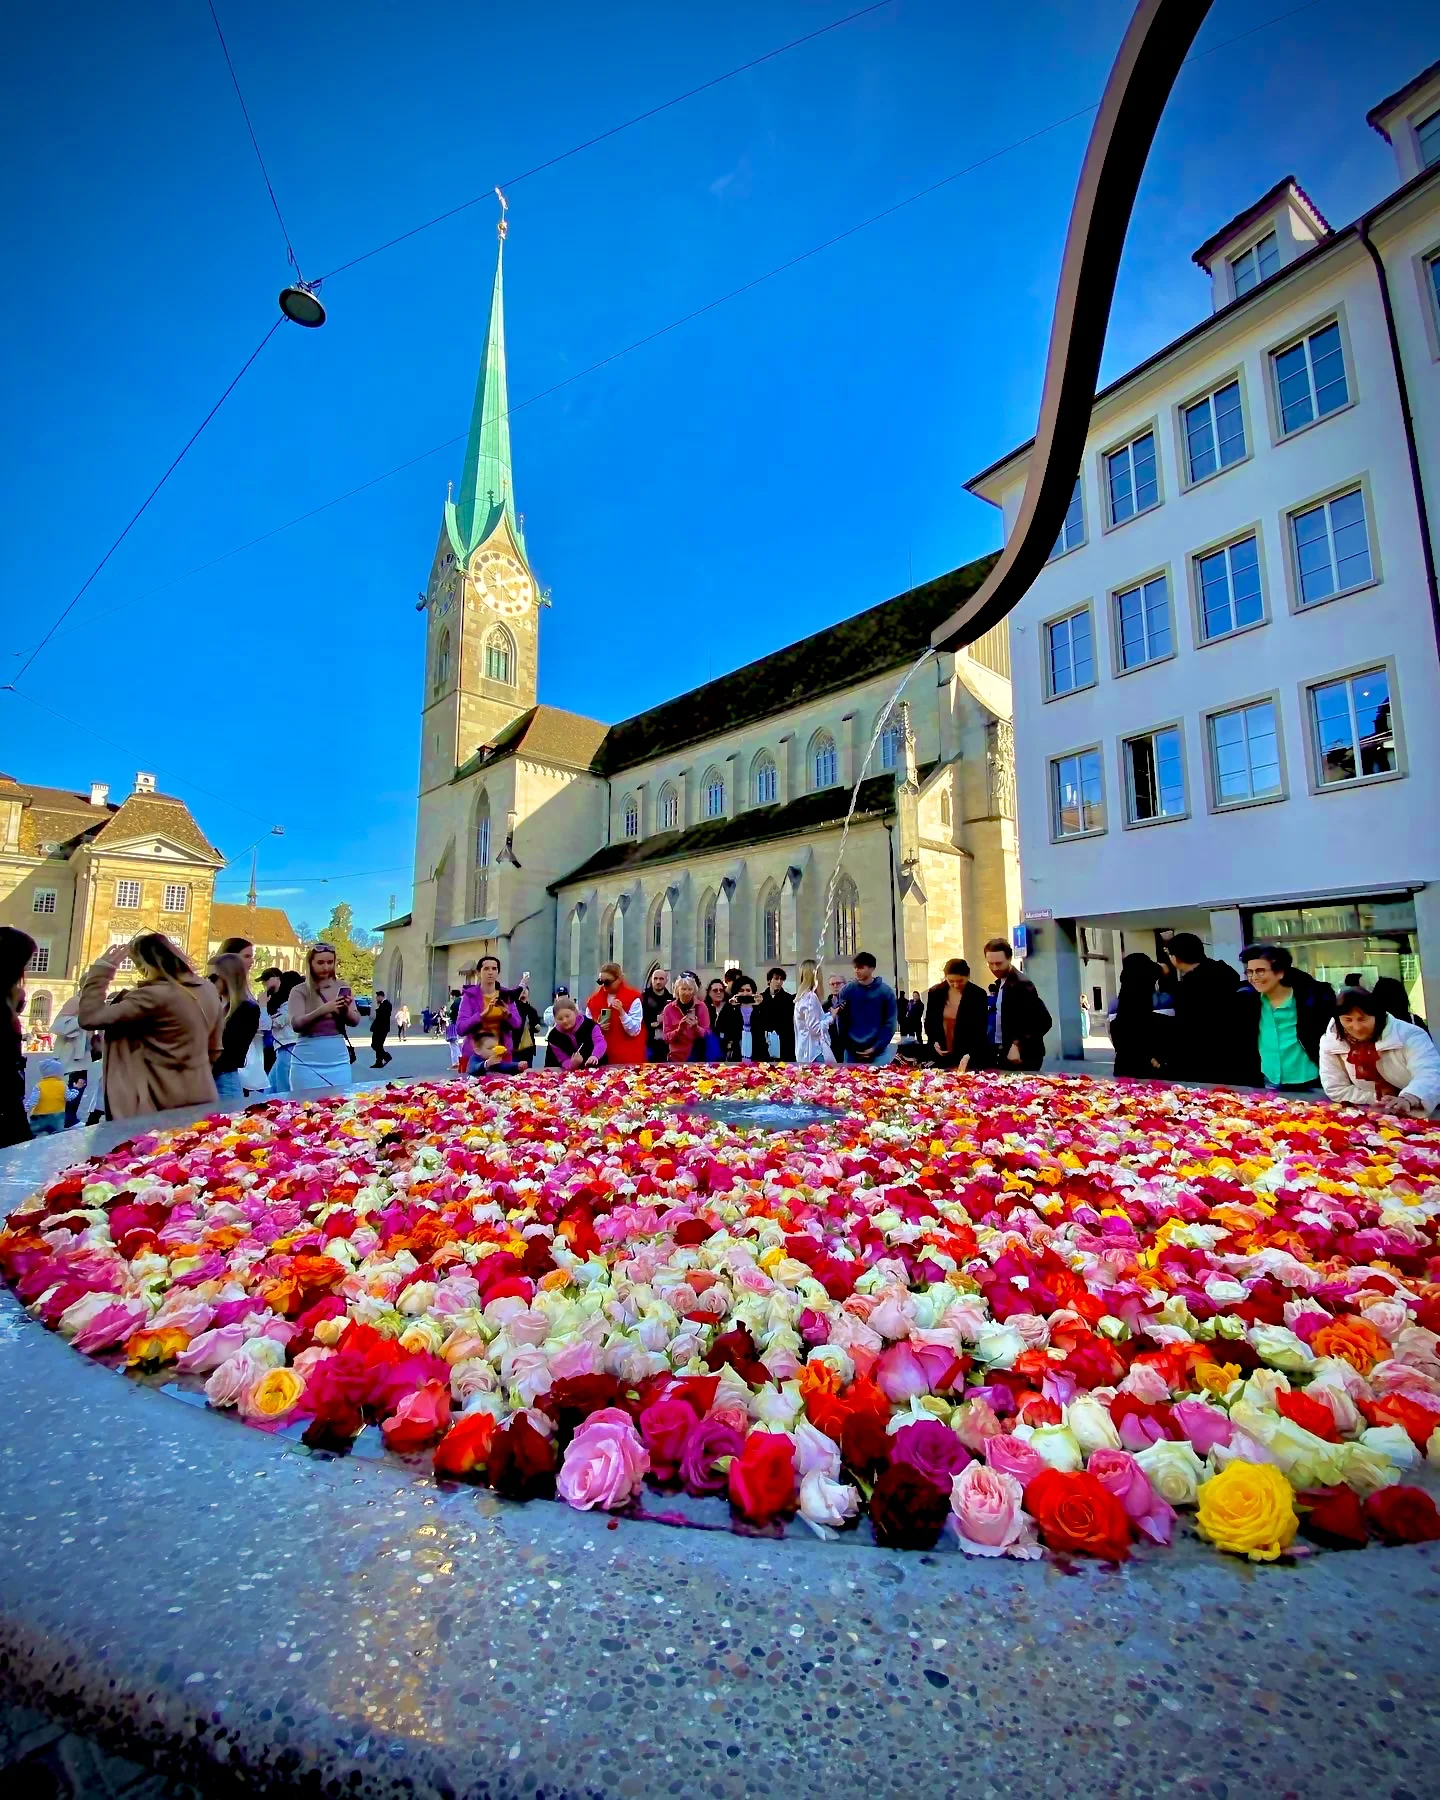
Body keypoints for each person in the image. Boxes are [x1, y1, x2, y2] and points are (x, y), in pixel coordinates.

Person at [76, 934, 223, 1118]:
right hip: (202, 1092)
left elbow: (90, 1017)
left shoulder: (153, 996)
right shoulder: (208, 989)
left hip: (160, 1102)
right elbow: (215, 1049)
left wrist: (101, 972)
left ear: (145, 965)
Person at [1319, 986, 1440, 1117]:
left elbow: (1429, 1073)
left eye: (1362, 1019)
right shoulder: (1331, 1042)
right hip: (1368, 1112)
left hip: (1422, 1109)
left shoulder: (1409, 1035)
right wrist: (1379, 1099)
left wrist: (1409, 1098)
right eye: (1348, 1020)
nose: (1357, 1027)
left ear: (1376, 1015)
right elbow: (1335, 1088)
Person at [1233, 944, 1334, 1093]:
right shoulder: (1247, 1002)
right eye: (1249, 972)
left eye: (1260, 971)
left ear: (1280, 972)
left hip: (1312, 1080)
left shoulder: (1313, 1001)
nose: (1253, 978)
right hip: (1268, 1081)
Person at [1165, 932, 1242, 1084]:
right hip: (1235, 1055)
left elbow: (1185, 1026)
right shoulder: (1226, 972)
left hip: (1202, 1062)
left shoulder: (1189, 988)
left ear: (1176, 958)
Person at [287, 942, 360, 1093]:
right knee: (305, 1104)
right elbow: (296, 1024)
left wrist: (344, 1010)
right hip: (306, 1061)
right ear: (310, 963)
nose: (326, 967)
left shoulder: (342, 987)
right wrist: (323, 1010)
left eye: (330, 962)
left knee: (340, 1103)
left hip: (338, 1060)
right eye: (320, 962)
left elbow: (355, 1021)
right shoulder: (299, 990)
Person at [983, 939, 1052, 1071]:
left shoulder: (1022, 984)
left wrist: (1017, 1045)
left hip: (1022, 1055)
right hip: (1004, 1051)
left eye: (999, 963)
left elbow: (1043, 1021)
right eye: (990, 963)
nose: (994, 968)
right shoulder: (1002, 982)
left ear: (1009, 959)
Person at [207, 952, 261, 1103]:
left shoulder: (247, 1009)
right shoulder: (215, 1005)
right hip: (208, 1078)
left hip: (224, 1080)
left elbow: (233, 1053)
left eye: (213, 977)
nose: (208, 982)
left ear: (227, 977)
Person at [1107, 953, 1169, 1079]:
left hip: (1124, 1065)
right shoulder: (1163, 1001)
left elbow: (1113, 1037)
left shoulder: (1116, 1005)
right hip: (1153, 1068)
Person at [456, 956, 522, 1074]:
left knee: (503, 1084)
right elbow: (460, 1028)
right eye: (486, 969)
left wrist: (508, 1015)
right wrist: (482, 1015)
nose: (490, 972)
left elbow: (517, 1024)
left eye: (494, 969)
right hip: (475, 1054)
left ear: (498, 972)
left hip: (501, 1053)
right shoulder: (469, 996)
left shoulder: (505, 995)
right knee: (471, 1085)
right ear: (478, 972)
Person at [922, 958, 989, 1070]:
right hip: (942, 1051)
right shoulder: (936, 992)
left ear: (968, 977)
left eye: (960, 981)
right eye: (951, 981)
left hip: (968, 1052)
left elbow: (980, 1028)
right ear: (945, 977)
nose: (956, 985)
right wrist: (934, 1041)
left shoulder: (978, 995)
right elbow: (929, 1021)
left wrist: (970, 1054)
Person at [834, 952, 899, 1066]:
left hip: (878, 1053)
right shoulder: (847, 990)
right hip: (852, 1052)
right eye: (855, 967)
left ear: (872, 968)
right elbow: (841, 1022)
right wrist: (849, 1046)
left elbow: (890, 1024)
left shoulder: (885, 992)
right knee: (848, 1077)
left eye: (860, 967)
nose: (856, 971)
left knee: (881, 1077)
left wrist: (876, 1047)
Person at [586, 962, 646, 1065]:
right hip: (602, 1058)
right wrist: (597, 1027)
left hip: (628, 1057)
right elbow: (586, 1030)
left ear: (619, 979)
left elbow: (635, 1030)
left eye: (607, 982)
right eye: (601, 982)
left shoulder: (633, 997)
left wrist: (622, 1013)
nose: (603, 986)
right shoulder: (593, 1001)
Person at [49, 995, 93, 1127]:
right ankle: (67, 1119)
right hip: (70, 1053)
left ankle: (69, 1117)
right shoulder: (76, 1001)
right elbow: (58, 1025)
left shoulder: (90, 1002)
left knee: (80, 1083)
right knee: (74, 1084)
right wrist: (81, 1020)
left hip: (81, 1054)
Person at [544, 996, 606, 1070]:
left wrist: (595, 1056)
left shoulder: (590, 1025)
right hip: (570, 1073)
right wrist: (573, 1064)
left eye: (567, 1016)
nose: (565, 1021)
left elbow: (600, 1042)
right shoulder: (554, 1037)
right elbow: (562, 1059)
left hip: (597, 1068)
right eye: (560, 1019)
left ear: (575, 1013)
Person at [660, 972, 710, 1062]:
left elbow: (707, 1034)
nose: (687, 993)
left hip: (697, 1057)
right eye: (683, 989)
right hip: (676, 1058)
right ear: (677, 990)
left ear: (694, 991)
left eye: (690, 989)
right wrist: (679, 1030)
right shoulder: (669, 1009)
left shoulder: (701, 1006)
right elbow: (666, 1038)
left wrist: (696, 1027)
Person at [267, 969, 303, 1092]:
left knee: (283, 1087)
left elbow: (275, 1022)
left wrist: (263, 1007)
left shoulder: (290, 1004)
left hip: (289, 1046)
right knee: (271, 1086)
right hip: (284, 1047)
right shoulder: (285, 1003)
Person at [793, 961, 834, 1065]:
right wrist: (832, 1017)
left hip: (804, 1051)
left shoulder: (801, 997)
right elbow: (815, 1029)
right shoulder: (810, 997)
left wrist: (828, 1015)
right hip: (814, 1052)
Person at [754, 967, 796, 1062]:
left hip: (783, 1040)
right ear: (769, 980)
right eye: (776, 979)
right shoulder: (761, 998)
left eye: (781, 979)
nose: (779, 982)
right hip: (765, 1039)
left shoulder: (788, 999)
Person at [716, 975, 760, 1061]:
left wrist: (761, 1006)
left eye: (748, 990)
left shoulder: (758, 1006)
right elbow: (720, 1025)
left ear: (753, 991)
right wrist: (729, 1006)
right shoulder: (731, 1006)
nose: (745, 993)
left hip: (756, 1047)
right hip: (737, 1048)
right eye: (741, 990)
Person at [26, 1055, 67, 1136]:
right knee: (56, 1136)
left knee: (39, 1137)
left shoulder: (39, 1085)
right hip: (57, 1116)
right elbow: (69, 1096)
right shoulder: (62, 1085)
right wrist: (76, 1090)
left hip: (39, 1117)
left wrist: (27, 1107)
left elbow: (33, 1101)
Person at [640, 967, 674, 1062]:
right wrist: (655, 1021)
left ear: (666, 980)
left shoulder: (671, 999)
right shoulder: (643, 997)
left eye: (661, 979)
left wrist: (661, 1022)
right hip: (647, 1042)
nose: (658, 982)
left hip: (665, 1044)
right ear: (651, 979)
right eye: (655, 978)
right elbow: (641, 1019)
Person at [703, 978, 729, 1061]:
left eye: (721, 990)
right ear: (709, 992)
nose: (718, 992)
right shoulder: (704, 1007)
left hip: (727, 1045)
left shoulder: (730, 1007)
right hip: (708, 1046)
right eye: (715, 990)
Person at [822, 973, 847, 1061]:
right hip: (831, 1047)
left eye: (838, 983)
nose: (835, 986)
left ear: (845, 985)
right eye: (832, 984)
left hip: (849, 1047)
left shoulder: (851, 1004)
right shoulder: (824, 1006)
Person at [370, 989, 394, 1068]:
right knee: (376, 1045)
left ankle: (385, 1057)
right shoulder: (382, 1004)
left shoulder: (387, 1004)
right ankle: (379, 1062)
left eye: (377, 997)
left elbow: (383, 1017)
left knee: (377, 1045)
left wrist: (378, 1010)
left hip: (382, 1029)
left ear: (381, 997)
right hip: (379, 1028)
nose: (376, 999)